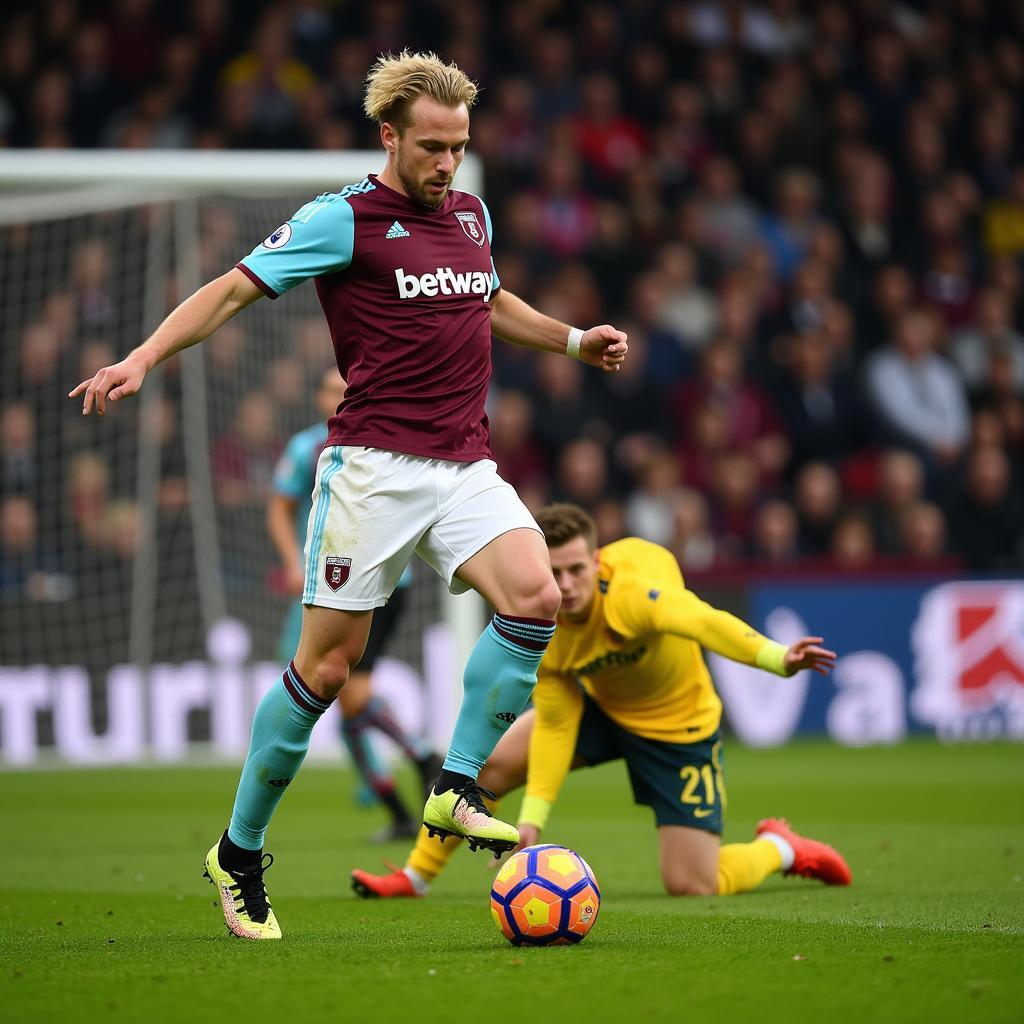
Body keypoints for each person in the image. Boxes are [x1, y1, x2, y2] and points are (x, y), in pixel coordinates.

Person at [69, 51, 628, 940]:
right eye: (433, 148)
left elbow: (485, 299)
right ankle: (240, 853)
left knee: (536, 598)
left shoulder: (472, 214)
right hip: (372, 470)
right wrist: (140, 359)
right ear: (391, 137)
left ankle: (452, 788)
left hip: (464, 465)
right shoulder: (345, 219)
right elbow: (227, 293)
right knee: (328, 672)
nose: (448, 166)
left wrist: (569, 340)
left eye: (460, 148)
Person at [352, 503, 850, 901]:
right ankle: (414, 878)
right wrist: (532, 821)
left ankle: (779, 848)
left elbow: (704, 621)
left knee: (692, 884)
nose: (564, 586)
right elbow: (555, 722)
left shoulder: (633, 595)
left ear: (596, 561)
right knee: (492, 763)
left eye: (575, 570)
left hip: (678, 727)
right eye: (553, 572)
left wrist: (776, 656)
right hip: (605, 709)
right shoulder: (541, 620)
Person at [267, 366, 442, 842]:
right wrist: (292, 562)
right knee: (338, 698)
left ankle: (425, 755)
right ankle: (400, 809)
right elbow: (279, 508)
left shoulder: (383, 444)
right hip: (330, 582)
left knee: (347, 691)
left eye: (341, 388)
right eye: (327, 388)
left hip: (386, 582)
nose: (334, 396)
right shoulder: (307, 448)